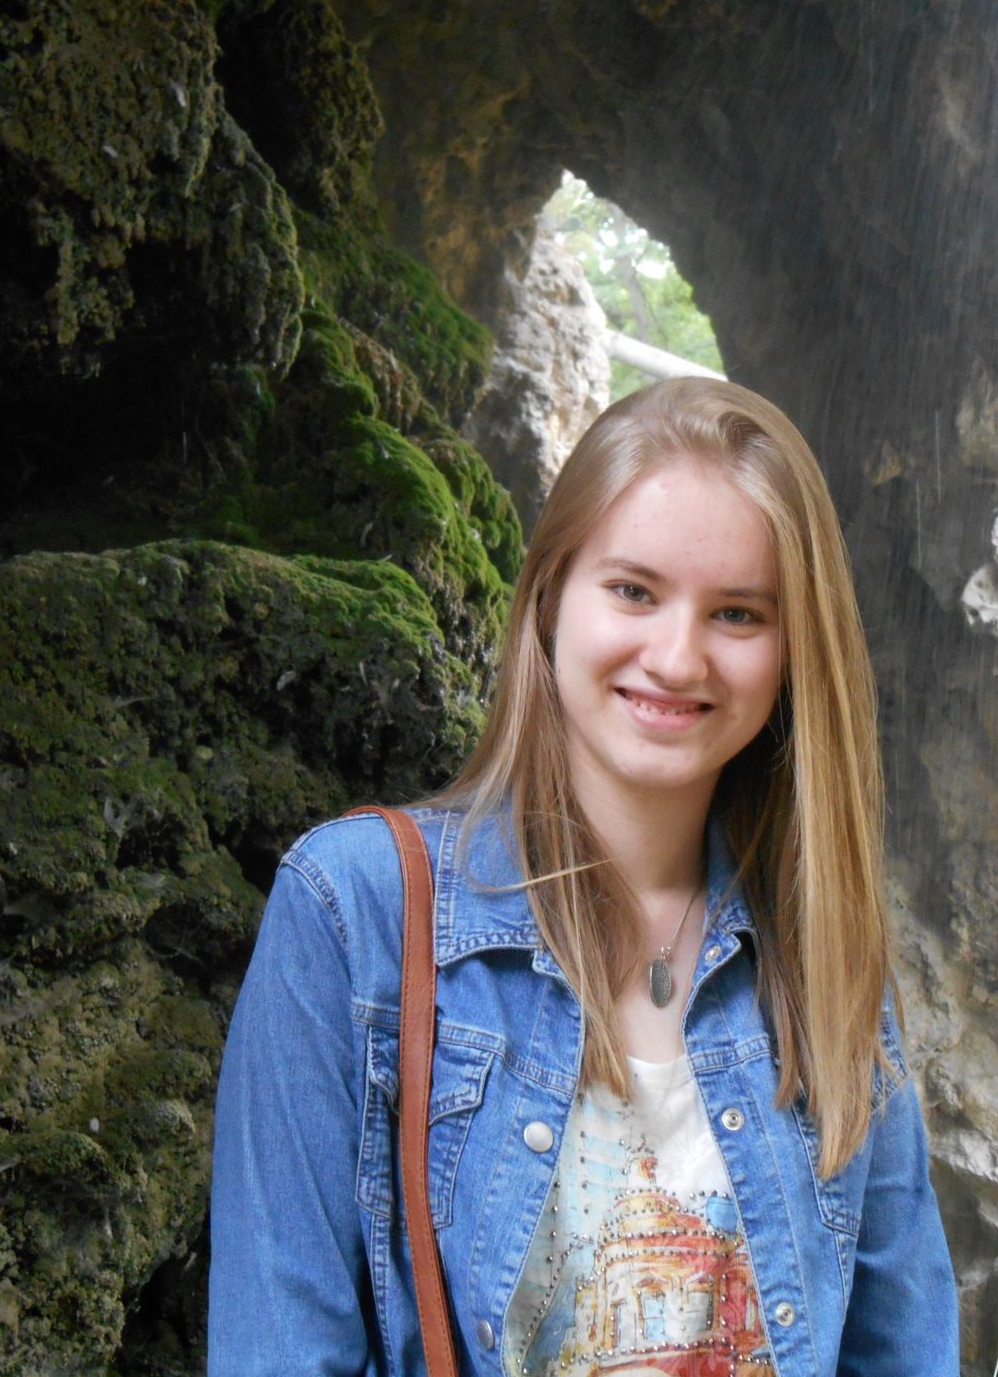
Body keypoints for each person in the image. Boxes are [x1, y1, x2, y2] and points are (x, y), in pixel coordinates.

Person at [208, 377, 958, 1375]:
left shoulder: (824, 956)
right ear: (549, 596)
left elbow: (904, 1349)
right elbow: (277, 1347)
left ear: (793, 654)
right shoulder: (354, 912)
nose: (677, 658)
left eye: (738, 613)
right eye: (634, 591)